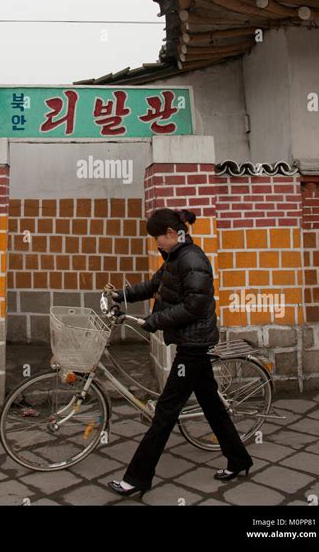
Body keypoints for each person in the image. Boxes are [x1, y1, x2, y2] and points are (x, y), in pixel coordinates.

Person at [106, 207, 253, 499]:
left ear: (172, 234)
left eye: (157, 238)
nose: (156, 243)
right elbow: (154, 286)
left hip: (194, 348)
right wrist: (120, 295)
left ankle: (136, 478)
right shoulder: (175, 257)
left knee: (165, 412)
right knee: (211, 405)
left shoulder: (192, 260)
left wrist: (154, 321)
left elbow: (193, 307)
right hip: (189, 344)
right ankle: (239, 460)